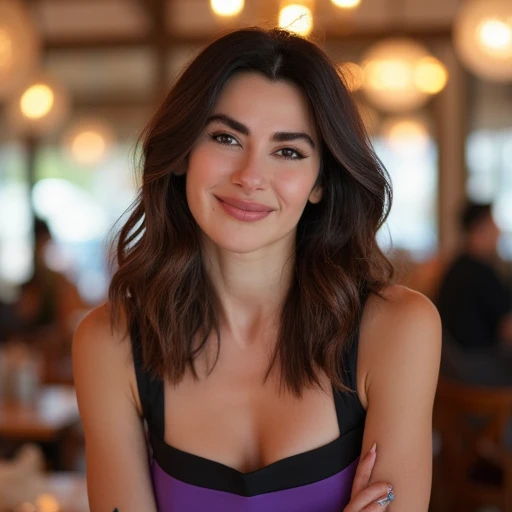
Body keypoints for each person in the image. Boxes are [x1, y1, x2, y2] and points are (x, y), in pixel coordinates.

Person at [72, 27, 441, 512]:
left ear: (319, 183)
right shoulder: (111, 343)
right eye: (225, 138)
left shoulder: (397, 330)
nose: (250, 176)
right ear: (184, 153)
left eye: (287, 151)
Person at [437, 202, 512, 352]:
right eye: (493, 224)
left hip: (456, 363)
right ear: (479, 229)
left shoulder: (456, 266)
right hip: (478, 362)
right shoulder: (480, 273)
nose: (498, 231)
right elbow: (508, 329)